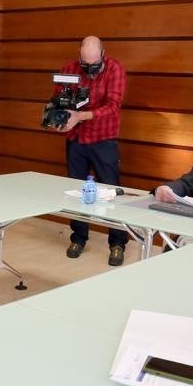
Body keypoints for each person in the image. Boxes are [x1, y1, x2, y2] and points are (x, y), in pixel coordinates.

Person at [54, 35, 129, 266]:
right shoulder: (69, 69)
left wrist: (81, 116)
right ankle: (78, 237)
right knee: (76, 191)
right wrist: (61, 119)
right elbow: (60, 99)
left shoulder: (115, 69)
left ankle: (117, 243)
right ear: (80, 56)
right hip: (75, 138)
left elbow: (113, 106)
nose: (89, 69)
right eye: (85, 64)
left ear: (103, 54)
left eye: (94, 64)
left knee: (110, 190)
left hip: (103, 139)